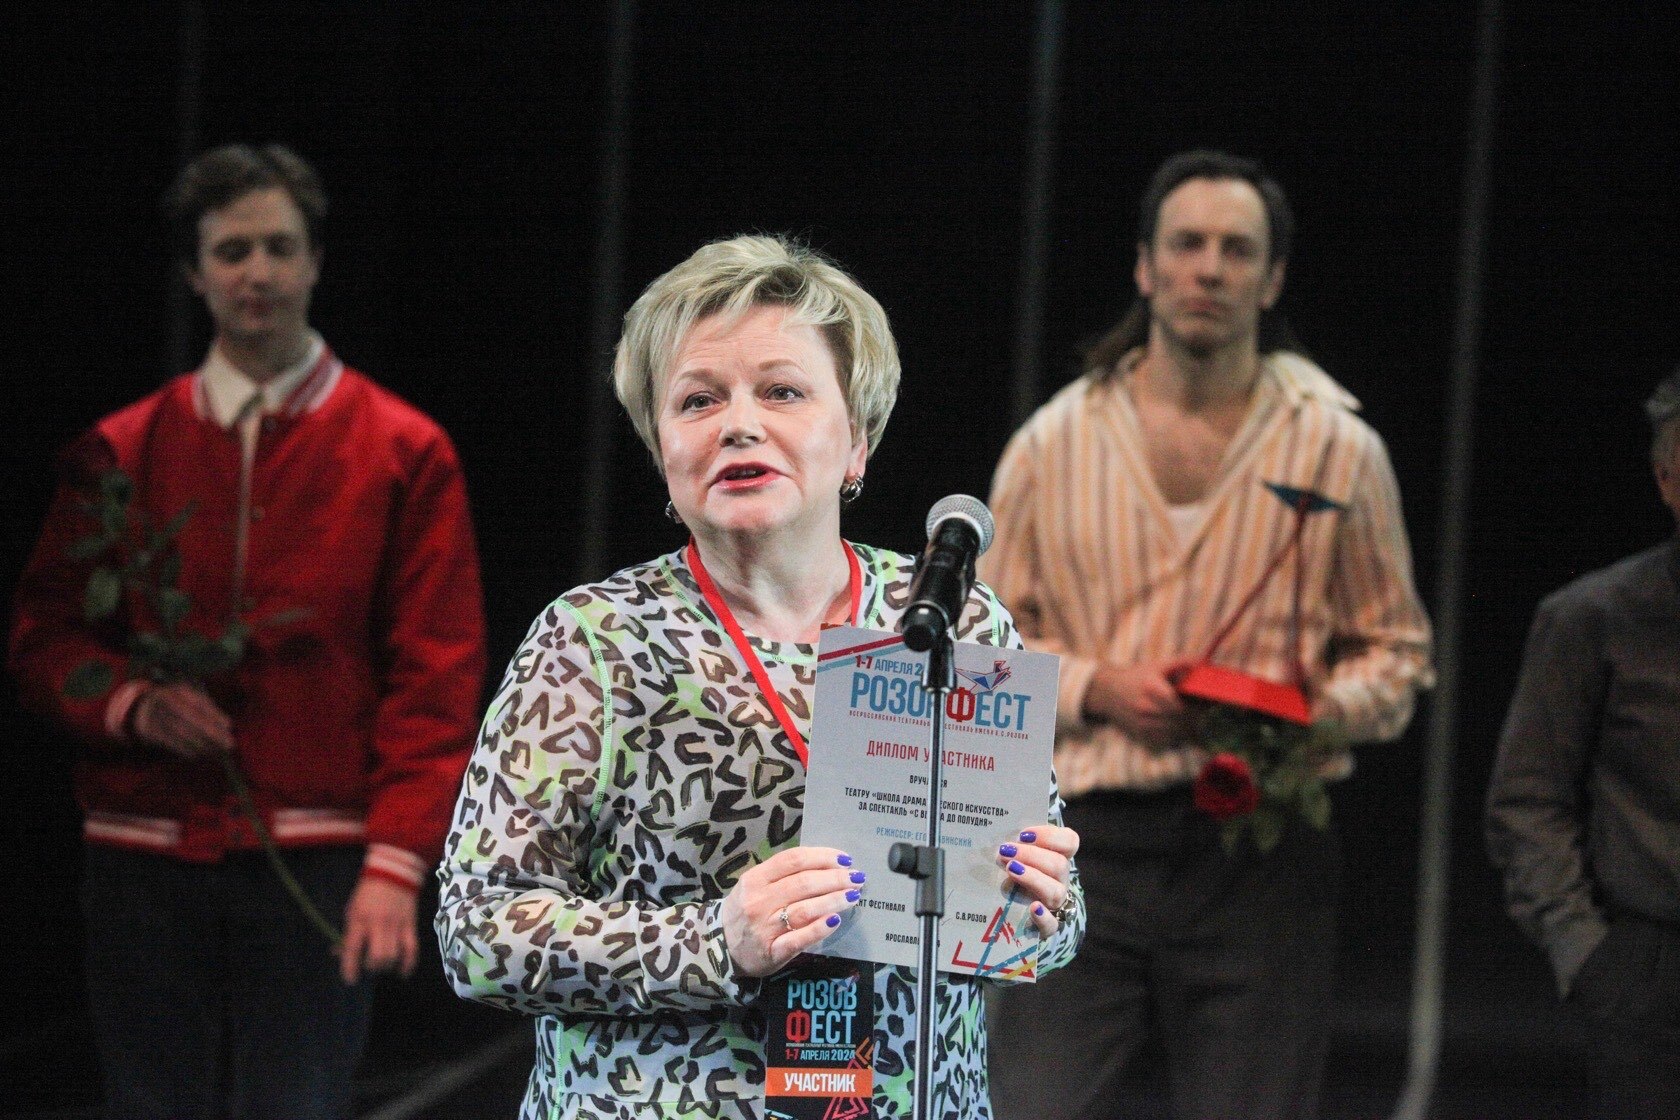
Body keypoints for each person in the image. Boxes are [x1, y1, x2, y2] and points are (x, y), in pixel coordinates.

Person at [435, 233, 1082, 1119]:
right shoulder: (592, 642)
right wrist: (716, 941)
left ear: (857, 442)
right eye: (698, 400)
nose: (739, 424)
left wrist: (1045, 909)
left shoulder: (954, 621)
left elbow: (1047, 928)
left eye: (782, 391)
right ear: (663, 450)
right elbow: (476, 930)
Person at [9, 144, 487, 1120]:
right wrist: (131, 704)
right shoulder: (120, 451)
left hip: (316, 852)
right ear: (195, 273)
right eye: (232, 251)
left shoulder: (404, 450)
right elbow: (43, 640)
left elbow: (435, 674)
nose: (257, 271)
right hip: (143, 849)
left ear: (316, 260)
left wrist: (396, 862)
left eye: (278, 246)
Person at [979, 150, 1434, 1120]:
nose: (1209, 269)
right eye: (1187, 245)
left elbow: (1398, 655)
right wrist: (1097, 687)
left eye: (1237, 250)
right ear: (1145, 267)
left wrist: (1296, 714)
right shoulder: (1053, 445)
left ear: (1271, 279)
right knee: (1032, 1104)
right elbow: (982, 656)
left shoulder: (1338, 446)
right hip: (1078, 837)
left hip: (1259, 850)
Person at [1485, 368, 1680, 1119]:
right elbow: (1526, 802)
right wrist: (1588, 955)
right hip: (1652, 977)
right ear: (1667, 480)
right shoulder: (1594, 619)